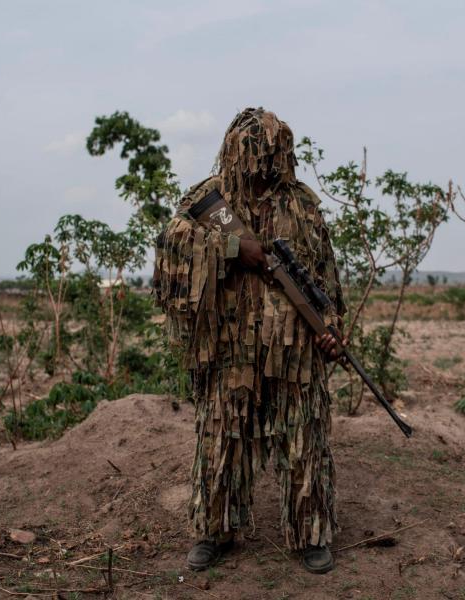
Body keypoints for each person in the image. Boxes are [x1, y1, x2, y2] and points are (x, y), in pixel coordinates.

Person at [152, 107, 347, 574]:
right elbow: (171, 249)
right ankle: (213, 531)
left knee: (305, 443)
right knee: (222, 441)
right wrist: (236, 248)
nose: (261, 166)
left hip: (294, 351)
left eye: (270, 156)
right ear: (234, 152)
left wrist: (333, 326)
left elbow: (325, 276)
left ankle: (310, 534)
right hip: (228, 348)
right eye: (252, 156)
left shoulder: (301, 203)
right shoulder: (208, 199)